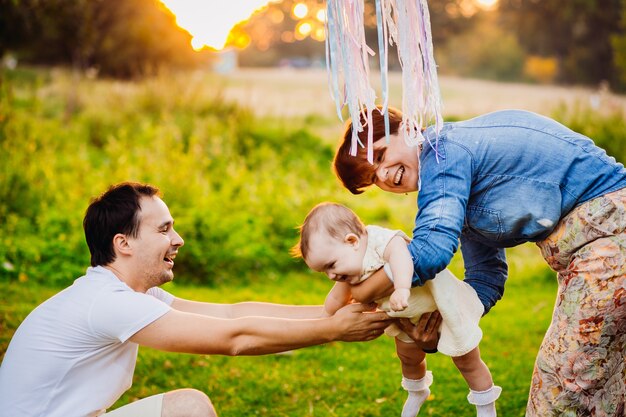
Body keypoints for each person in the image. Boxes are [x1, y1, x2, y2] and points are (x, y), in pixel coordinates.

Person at [0, 182, 394, 417]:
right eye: (164, 229)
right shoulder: (108, 302)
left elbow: (232, 313)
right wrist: (333, 330)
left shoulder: (124, 292)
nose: (178, 239)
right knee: (188, 408)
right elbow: (234, 339)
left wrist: (345, 310)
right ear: (123, 244)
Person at [333, 106, 626, 416]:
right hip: (595, 255)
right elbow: (486, 276)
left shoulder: (443, 151)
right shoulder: (456, 188)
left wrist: (364, 292)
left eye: (379, 156)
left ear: (407, 127)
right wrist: (446, 325)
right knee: (609, 384)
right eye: (372, 178)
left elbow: (432, 249)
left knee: (562, 382)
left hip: (611, 237)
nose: (383, 176)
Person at [291, 202, 501, 417]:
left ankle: (485, 407)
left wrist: (401, 288)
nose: (331, 275)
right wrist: (327, 317)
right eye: (324, 272)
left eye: (330, 266)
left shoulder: (378, 240)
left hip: (443, 305)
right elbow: (336, 298)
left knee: (466, 360)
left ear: (352, 241)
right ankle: (416, 391)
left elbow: (402, 256)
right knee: (408, 357)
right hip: (407, 316)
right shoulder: (347, 267)